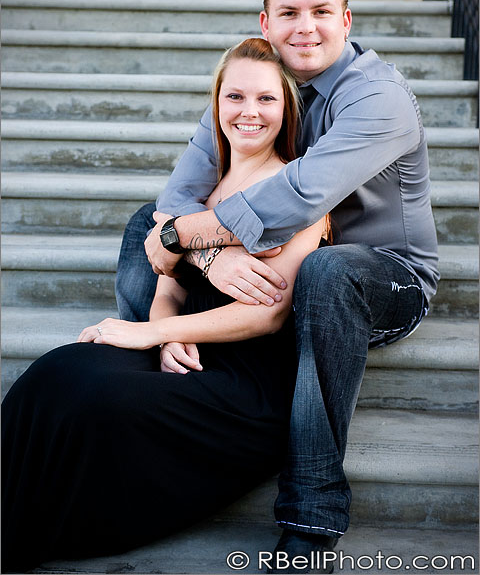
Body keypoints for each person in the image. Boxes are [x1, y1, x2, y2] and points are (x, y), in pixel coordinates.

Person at [114, 0, 440, 573]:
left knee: (326, 270)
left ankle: (312, 514)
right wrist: (205, 260)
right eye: (289, 13)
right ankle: (165, 360)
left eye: (321, 11)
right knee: (140, 224)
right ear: (266, 22)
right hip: (279, 263)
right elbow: (179, 192)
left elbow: (298, 195)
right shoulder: (260, 83)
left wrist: (186, 241)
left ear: (346, 19)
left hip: (381, 275)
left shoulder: (379, 99)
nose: (305, 27)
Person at [1, 38, 331, 573]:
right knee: (54, 372)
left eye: (267, 100)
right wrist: (167, 332)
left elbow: (268, 312)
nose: (249, 112)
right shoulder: (201, 193)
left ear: (287, 109)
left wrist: (146, 335)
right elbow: (168, 286)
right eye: (235, 97)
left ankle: (34, 529)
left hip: (245, 386)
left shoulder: (299, 193)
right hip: (185, 354)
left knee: (97, 398)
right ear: (216, 104)